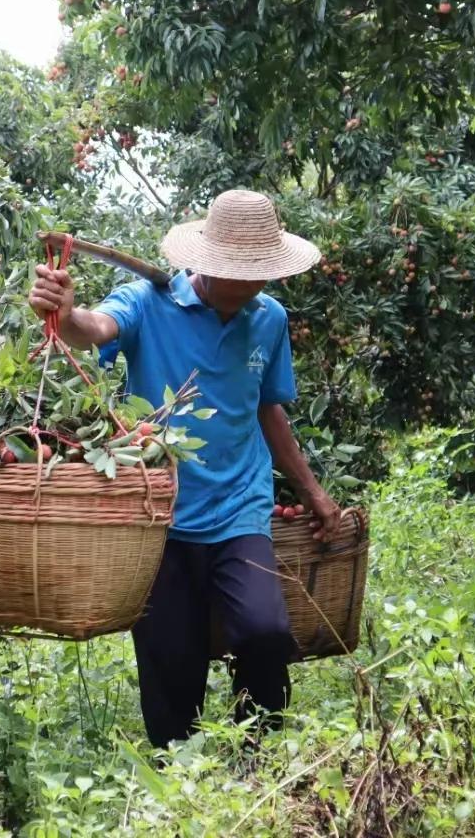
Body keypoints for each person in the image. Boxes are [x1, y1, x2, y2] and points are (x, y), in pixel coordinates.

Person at [27, 189, 340, 750]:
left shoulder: (268, 319)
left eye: (260, 274)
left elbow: (267, 407)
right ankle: (178, 781)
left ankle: (261, 757)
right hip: (157, 515)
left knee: (266, 633)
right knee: (173, 662)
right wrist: (66, 313)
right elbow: (95, 328)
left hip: (240, 509)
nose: (252, 286)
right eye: (240, 273)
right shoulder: (147, 302)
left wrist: (311, 490)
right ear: (205, 261)